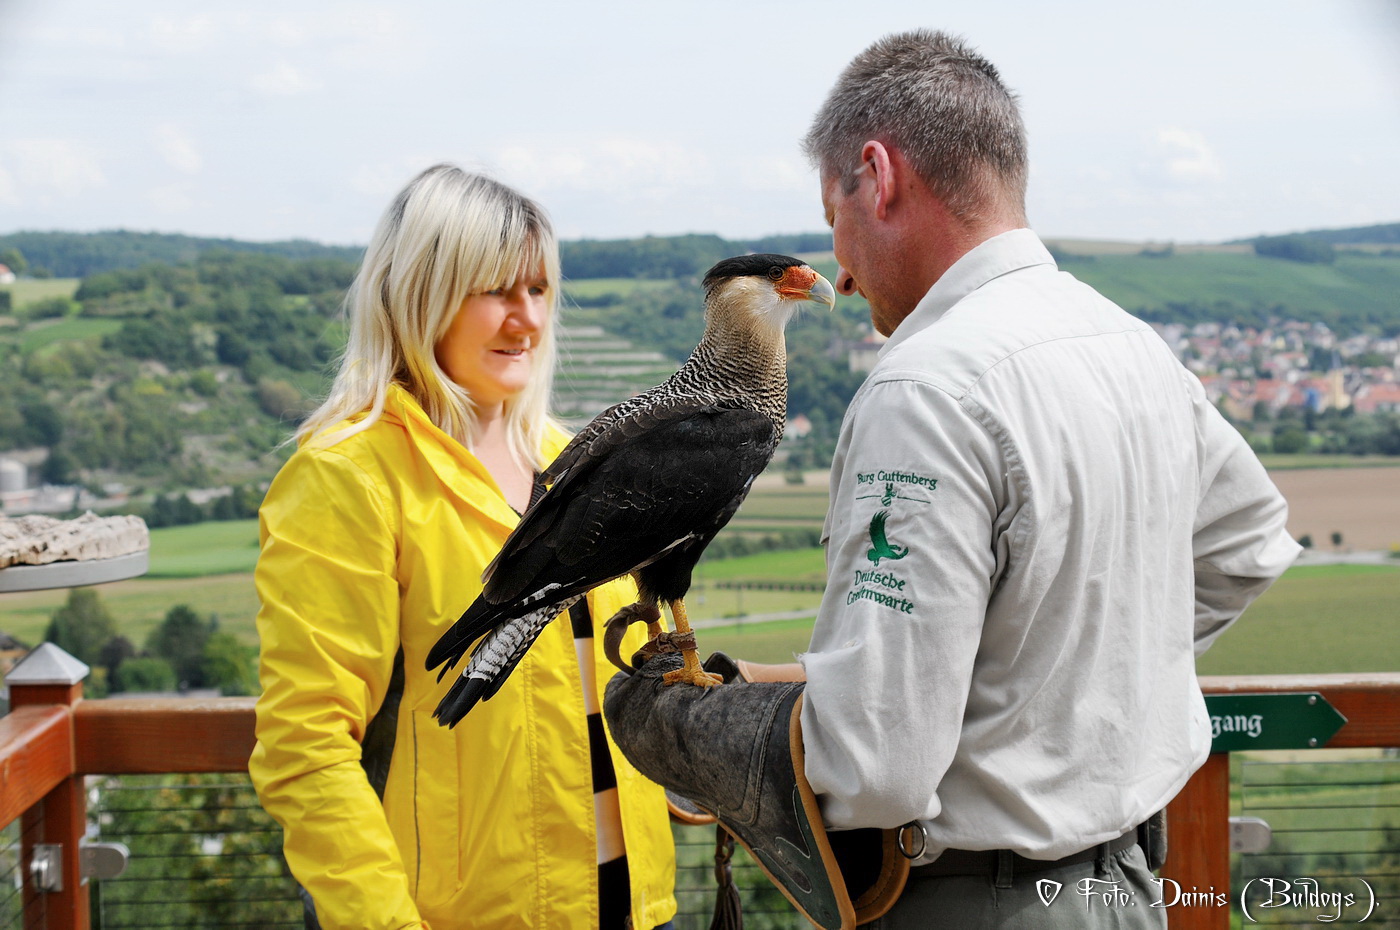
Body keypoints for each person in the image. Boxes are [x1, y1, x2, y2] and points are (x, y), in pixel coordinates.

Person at [605, 29, 1300, 930]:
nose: (842, 276)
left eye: (834, 221)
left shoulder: (925, 389)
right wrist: (1068, 692)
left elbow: (876, 766)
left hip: (972, 899)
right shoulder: (1131, 345)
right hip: (1127, 891)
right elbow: (1245, 546)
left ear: (878, 175)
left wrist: (700, 739)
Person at [249, 164, 678, 930]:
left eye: (539, 291)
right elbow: (304, 747)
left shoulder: (575, 462)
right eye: (495, 291)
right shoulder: (346, 477)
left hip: (640, 908)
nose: (527, 321)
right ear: (419, 295)